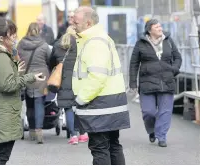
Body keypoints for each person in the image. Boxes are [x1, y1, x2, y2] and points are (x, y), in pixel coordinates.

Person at [0, 18, 46, 165]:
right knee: (0, 156)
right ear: (1, 38)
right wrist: (30, 77)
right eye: (12, 34)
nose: (15, 37)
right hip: (1, 109)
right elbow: (7, 85)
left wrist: (15, 72)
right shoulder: (0, 56)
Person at [72, 6, 130, 165]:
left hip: (99, 103)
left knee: (100, 148)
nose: (72, 24)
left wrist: (81, 99)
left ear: (88, 23)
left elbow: (97, 77)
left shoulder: (94, 42)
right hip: (110, 102)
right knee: (113, 145)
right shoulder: (99, 38)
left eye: (75, 21)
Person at [129, 19, 182, 147]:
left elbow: (178, 57)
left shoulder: (168, 41)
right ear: (149, 30)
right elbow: (134, 63)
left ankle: (161, 136)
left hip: (166, 81)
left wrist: (173, 70)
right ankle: (152, 131)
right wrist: (133, 83)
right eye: (157, 26)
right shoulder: (141, 43)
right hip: (147, 82)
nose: (160, 28)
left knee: (165, 111)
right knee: (148, 112)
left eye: (160, 26)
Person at [50, 26, 88, 145]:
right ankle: (82, 134)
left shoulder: (57, 45)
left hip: (64, 80)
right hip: (80, 79)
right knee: (80, 107)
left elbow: (51, 61)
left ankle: (73, 136)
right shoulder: (81, 45)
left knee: (68, 108)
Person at [18, 22, 51, 144]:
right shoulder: (44, 45)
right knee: (39, 103)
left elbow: (18, 58)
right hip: (42, 77)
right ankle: (39, 131)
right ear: (39, 31)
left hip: (26, 76)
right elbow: (49, 59)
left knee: (29, 104)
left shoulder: (21, 44)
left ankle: (31, 130)